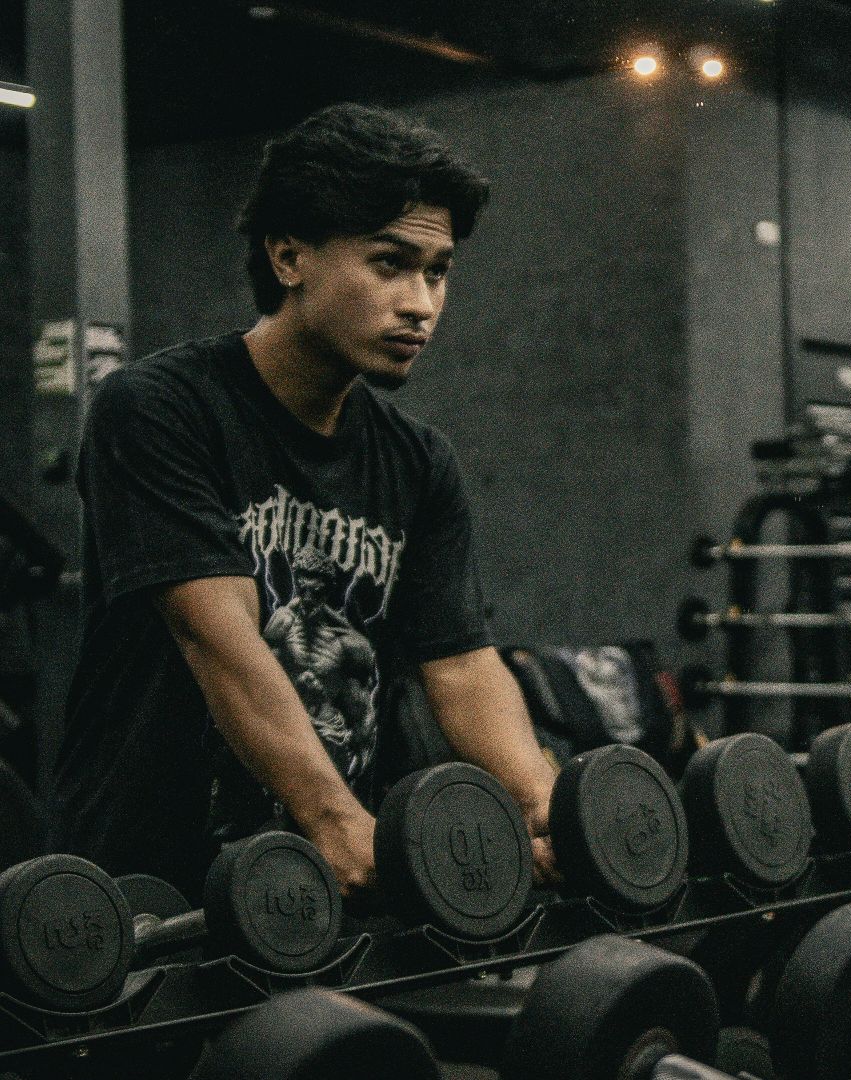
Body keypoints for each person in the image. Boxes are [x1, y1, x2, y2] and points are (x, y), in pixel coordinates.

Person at [51, 103, 558, 901]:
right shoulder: (158, 409)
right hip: (152, 883)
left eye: (437, 271)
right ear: (289, 256)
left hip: (324, 885)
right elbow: (218, 637)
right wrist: (335, 819)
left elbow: (461, 666)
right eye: (390, 264)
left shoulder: (418, 461)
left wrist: (545, 808)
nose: (421, 304)